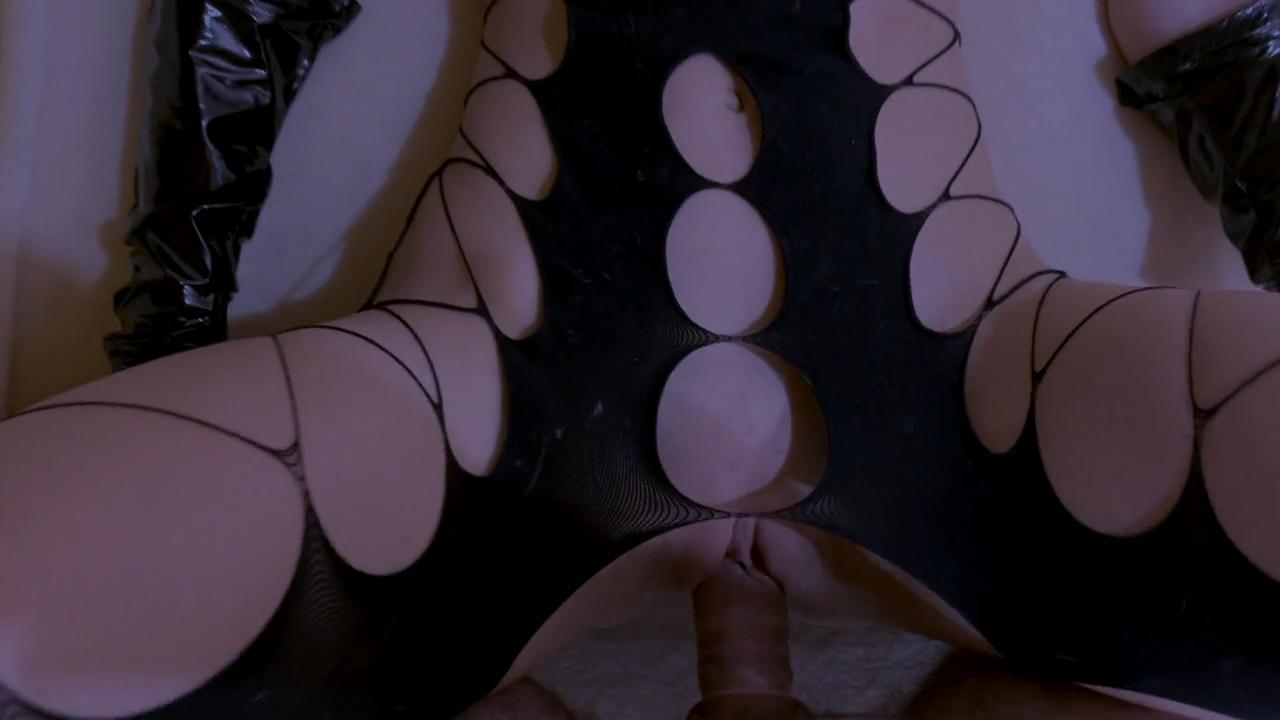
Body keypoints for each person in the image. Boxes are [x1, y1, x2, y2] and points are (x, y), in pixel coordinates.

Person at [1, 1, 1279, 718]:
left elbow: (1212, 30)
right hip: (493, 397)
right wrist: (168, 339)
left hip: (979, 391)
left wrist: (170, 343)